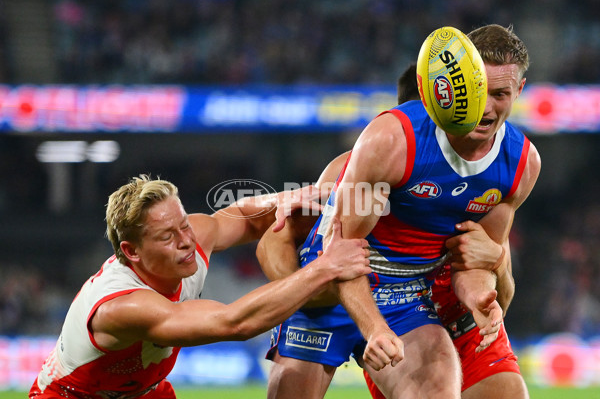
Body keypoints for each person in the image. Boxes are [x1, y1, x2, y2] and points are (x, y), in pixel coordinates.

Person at [259, 24, 541, 398]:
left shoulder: (520, 164)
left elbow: (472, 257)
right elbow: (340, 250)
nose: (486, 108)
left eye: (501, 94)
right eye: (478, 93)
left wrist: (478, 295)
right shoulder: (392, 141)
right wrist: (372, 326)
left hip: (406, 293)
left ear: (519, 91)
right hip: (329, 286)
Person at [29, 175, 372, 398]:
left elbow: (242, 216)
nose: (187, 242)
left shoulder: (189, 239)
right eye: (167, 236)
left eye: (184, 225)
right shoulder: (122, 306)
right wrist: (325, 268)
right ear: (131, 252)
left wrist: (283, 199)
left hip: (141, 391)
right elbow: (234, 323)